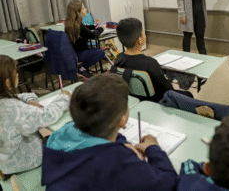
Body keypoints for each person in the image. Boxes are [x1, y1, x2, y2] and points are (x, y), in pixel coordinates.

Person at [41, 74, 177, 190]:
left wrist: (120, 143)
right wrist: (153, 148)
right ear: (122, 121)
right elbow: (169, 184)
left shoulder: (60, 134)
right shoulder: (118, 163)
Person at [0, 55, 71, 175]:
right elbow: (47, 116)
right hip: (23, 160)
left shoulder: (5, 100)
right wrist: (64, 98)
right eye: (15, 73)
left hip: (6, 158)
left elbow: (19, 97)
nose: (17, 75)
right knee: (68, 144)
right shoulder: (12, 108)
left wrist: (28, 100)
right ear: (7, 82)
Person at [112, 17, 174, 102]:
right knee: (188, 95)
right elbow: (168, 89)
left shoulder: (119, 58)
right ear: (140, 40)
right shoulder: (150, 63)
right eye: (143, 32)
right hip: (156, 103)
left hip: (133, 101)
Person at [64, 0, 105, 78]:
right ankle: (82, 69)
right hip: (79, 54)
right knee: (100, 53)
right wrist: (101, 29)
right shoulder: (79, 25)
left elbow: (86, 27)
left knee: (93, 51)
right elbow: (93, 35)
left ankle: (83, 69)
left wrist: (93, 26)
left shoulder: (70, 23)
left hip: (72, 53)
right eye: (83, 8)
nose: (86, 10)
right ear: (78, 12)